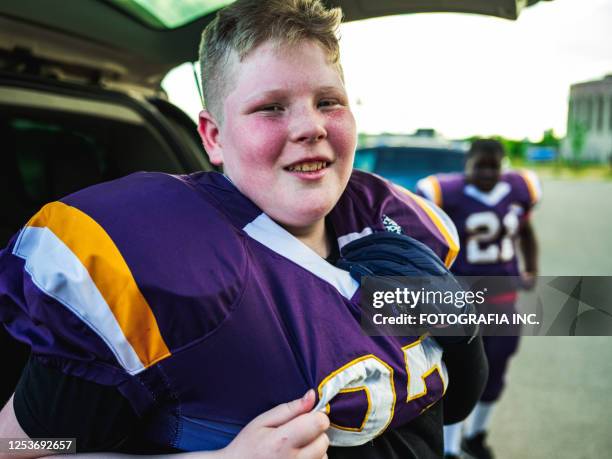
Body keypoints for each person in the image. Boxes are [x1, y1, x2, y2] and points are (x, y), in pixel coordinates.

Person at [0, 1, 485, 457]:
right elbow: (15, 448)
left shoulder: (389, 224)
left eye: (329, 101)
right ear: (212, 136)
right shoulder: (150, 270)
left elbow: (535, 326)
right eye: (271, 107)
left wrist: (467, 325)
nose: (310, 126)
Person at [416, 138, 541, 459]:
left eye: (493, 166)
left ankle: (477, 435)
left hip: (503, 300)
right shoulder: (445, 193)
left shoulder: (517, 191)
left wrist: (531, 268)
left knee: (496, 372)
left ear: (503, 166)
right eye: (479, 165)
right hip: (462, 301)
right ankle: (451, 448)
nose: (486, 172)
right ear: (467, 165)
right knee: (457, 375)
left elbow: (526, 233)